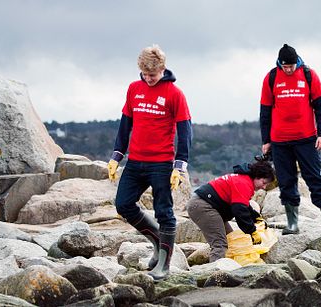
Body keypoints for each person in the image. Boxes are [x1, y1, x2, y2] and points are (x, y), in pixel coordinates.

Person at [106, 45, 192, 280]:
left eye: (152, 75)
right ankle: (157, 238)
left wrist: (180, 164)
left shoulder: (175, 94)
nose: (148, 78)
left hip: (161, 163)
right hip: (135, 161)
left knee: (164, 212)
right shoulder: (134, 89)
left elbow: (185, 131)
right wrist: (116, 155)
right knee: (123, 204)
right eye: (145, 74)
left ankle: (163, 265)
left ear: (162, 69)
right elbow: (126, 124)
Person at [259, 43, 321, 235]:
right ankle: (292, 224)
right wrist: (266, 140)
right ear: (280, 64)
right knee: (286, 181)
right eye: (285, 66)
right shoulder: (271, 77)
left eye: (291, 66)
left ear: (296, 62)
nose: (288, 69)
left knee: (315, 179)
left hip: (306, 138)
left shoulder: (309, 75)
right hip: (280, 141)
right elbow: (265, 112)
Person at [186, 159, 276, 263]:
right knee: (220, 243)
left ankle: (229, 267)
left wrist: (256, 218)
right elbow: (239, 211)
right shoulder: (243, 183)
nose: (264, 187)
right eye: (263, 182)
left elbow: (244, 205)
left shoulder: (243, 179)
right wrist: (252, 231)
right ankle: (216, 274)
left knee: (231, 238)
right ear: (257, 176)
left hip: (209, 206)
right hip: (203, 206)